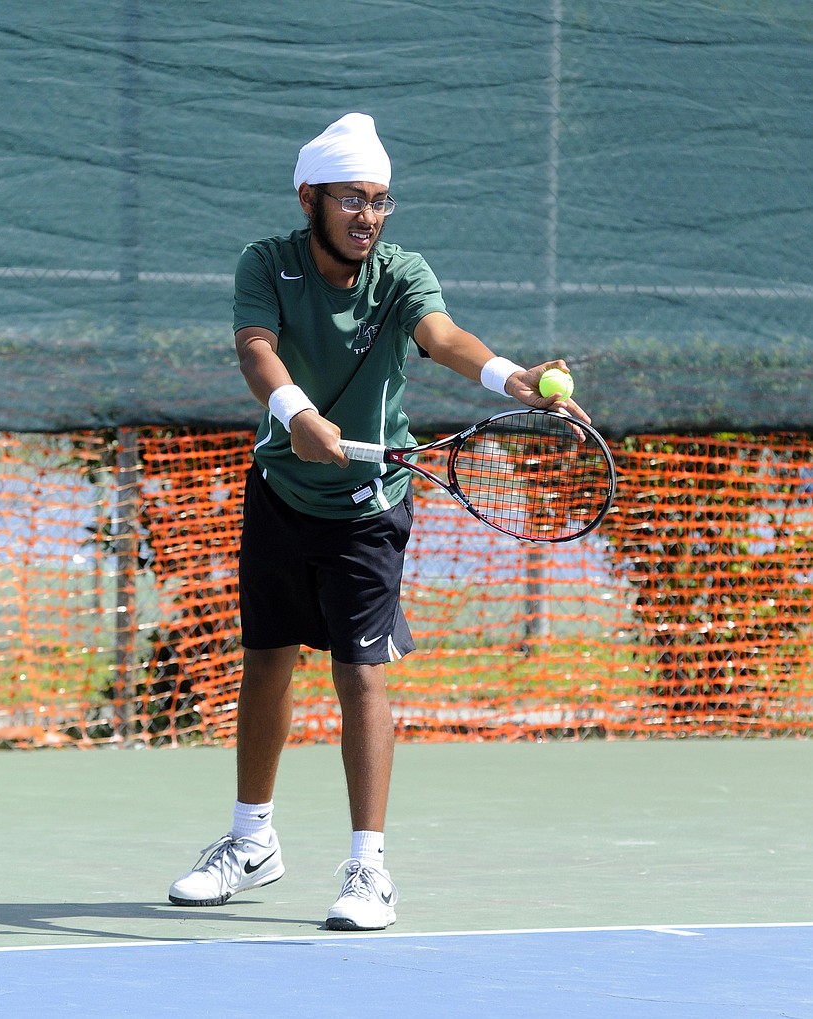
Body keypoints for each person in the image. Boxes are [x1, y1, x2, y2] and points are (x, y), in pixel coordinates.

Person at [168, 112, 590, 931]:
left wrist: (515, 380)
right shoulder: (267, 263)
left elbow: (446, 337)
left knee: (359, 674)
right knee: (266, 660)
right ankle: (251, 841)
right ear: (311, 198)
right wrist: (293, 413)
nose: (369, 216)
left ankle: (369, 868)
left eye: (382, 200)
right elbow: (258, 351)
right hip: (282, 490)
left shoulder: (401, 273)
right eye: (353, 199)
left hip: (368, 507)